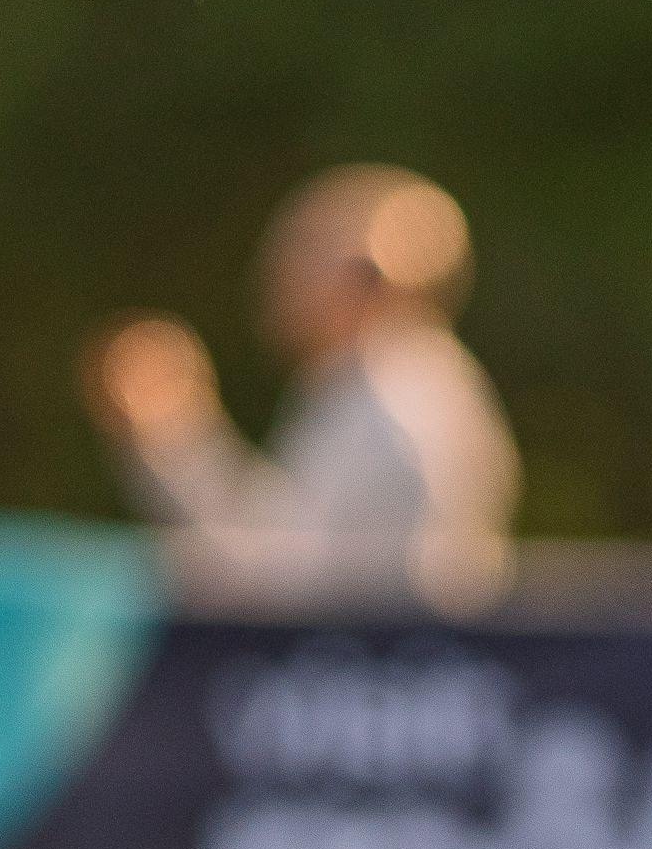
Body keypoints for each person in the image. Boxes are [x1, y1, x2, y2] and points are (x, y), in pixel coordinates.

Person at [84, 164, 520, 615]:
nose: (275, 277)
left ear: (368, 273)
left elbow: (273, 582)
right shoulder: (406, 387)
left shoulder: (390, 405)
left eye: (300, 255)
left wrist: (169, 431)